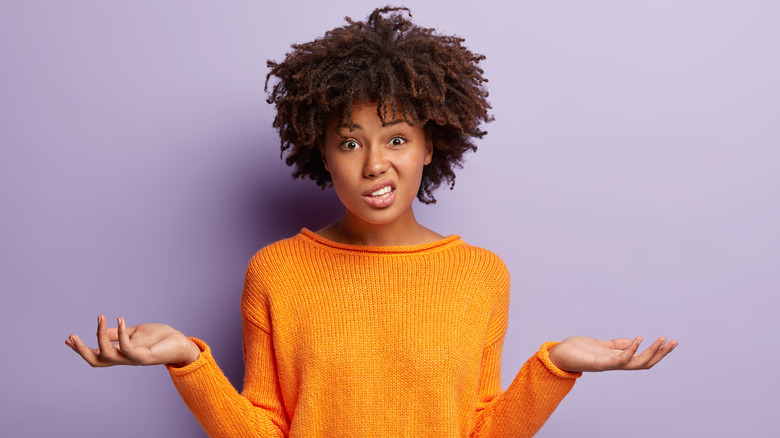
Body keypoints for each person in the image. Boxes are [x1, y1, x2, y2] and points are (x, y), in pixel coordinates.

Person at [65, 6, 677, 437]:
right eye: (351, 143)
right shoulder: (276, 271)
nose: (376, 164)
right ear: (321, 150)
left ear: (431, 146)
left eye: (397, 138)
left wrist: (556, 367)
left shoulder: (481, 275)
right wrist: (187, 362)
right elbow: (264, 430)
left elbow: (482, 432)